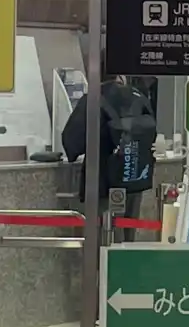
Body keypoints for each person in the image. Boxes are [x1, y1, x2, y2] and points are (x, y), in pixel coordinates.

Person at [63, 75, 158, 235]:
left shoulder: (93, 98)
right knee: (127, 232)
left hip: (102, 180)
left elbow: (72, 141)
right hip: (134, 178)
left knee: (102, 234)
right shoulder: (138, 96)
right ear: (120, 76)